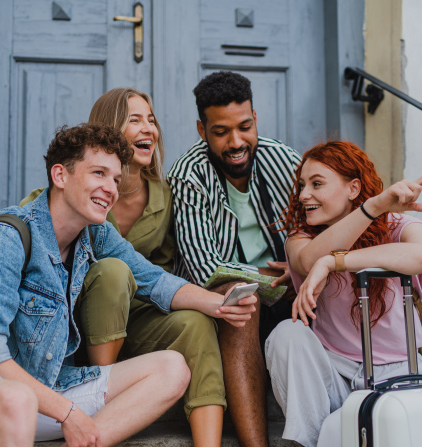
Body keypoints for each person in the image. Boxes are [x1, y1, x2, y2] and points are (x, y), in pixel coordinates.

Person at [0, 123, 256, 447]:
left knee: (172, 369)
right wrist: (68, 412)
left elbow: (154, 280)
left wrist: (218, 304)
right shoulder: (6, 238)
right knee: (16, 398)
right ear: (60, 175)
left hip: (47, 389)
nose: (111, 188)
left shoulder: (95, 233)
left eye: (115, 178)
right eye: (98, 173)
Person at [21, 88, 232, 446]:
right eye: (135, 119)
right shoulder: (53, 204)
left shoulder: (166, 195)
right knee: (113, 273)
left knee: (196, 321)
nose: (149, 128)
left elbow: (156, 275)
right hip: (75, 328)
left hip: (140, 316)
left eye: (151, 119)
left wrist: (218, 302)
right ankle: (103, 392)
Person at [264, 141, 422, 447]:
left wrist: (335, 262)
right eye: (302, 185)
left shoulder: (396, 226)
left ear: (353, 188)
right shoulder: (300, 238)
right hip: (335, 374)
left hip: (399, 373)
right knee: (285, 335)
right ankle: (313, 441)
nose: (304, 194)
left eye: (317, 184)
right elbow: (307, 260)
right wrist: (372, 207)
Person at [168, 71, 301, 447]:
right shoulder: (189, 175)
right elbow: (205, 269)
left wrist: (303, 269)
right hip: (217, 308)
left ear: (255, 118)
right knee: (241, 296)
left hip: (288, 292)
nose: (236, 142)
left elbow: (323, 227)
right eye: (221, 132)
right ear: (201, 129)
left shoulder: (285, 162)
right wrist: (277, 276)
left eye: (244, 126)